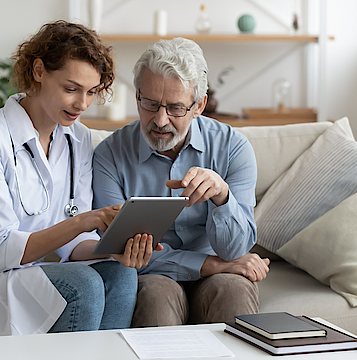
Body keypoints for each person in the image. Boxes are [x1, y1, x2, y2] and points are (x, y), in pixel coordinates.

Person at [0, 20, 156, 338]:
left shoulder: (78, 138)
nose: (81, 104)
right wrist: (86, 220)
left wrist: (114, 248)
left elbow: (72, 244)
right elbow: (0, 252)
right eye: (70, 89)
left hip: (23, 275)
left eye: (91, 92)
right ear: (39, 71)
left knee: (120, 275)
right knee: (81, 284)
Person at [92, 37, 270, 327]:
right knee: (155, 296)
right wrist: (207, 265)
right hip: (153, 276)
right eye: (150, 104)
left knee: (234, 289)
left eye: (175, 108)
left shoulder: (233, 147)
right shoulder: (109, 155)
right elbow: (117, 251)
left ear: (199, 105)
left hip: (221, 276)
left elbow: (235, 250)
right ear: (137, 96)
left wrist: (222, 196)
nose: (160, 120)